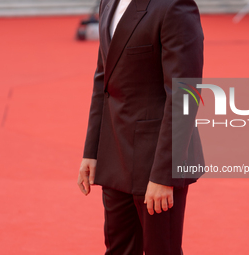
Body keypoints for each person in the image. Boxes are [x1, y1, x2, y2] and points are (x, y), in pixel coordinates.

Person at [77, 0, 204, 253]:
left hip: (155, 159)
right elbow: (103, 78)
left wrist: (165, 175)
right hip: (115, 156)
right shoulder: (108, 2)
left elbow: (185, 96)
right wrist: (92, 151)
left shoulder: (175, 6)